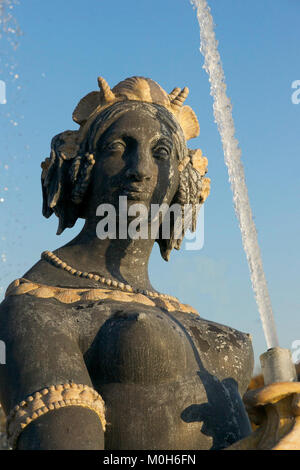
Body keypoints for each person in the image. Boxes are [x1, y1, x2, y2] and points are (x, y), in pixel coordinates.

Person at [0, 76, 254, 450]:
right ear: (81, 167)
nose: (141, 169)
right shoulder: (35, 307)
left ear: (182, 180)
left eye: (161, 152)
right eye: (119, 147)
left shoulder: (183, 313)